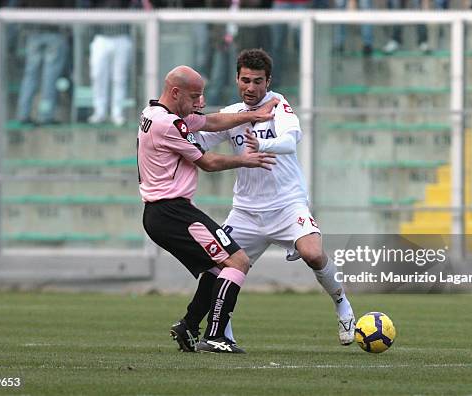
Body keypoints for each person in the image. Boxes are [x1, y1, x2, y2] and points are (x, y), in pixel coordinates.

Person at [196, 49, 356, 346]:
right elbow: (197, 140)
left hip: (286, 204)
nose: (251, 88)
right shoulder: (233, 114)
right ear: (237, 79)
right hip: (245, 211)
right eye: (245, 80)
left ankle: (342, 303)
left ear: (268, 81)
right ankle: (222, 331)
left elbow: (289, 141)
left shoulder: (278, 105)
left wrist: (265, 143)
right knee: (220, 267)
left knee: (313, 254)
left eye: (258, 81)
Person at [138, 65, 278, 353]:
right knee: (238, 261)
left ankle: (189, 325)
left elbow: (210, 122)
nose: (199, 102)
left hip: (162, 214)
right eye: (195, 96)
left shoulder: (153, 114)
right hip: (172, 212)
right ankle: (217, 336)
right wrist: (245, 160)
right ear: (175, 92)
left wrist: (253, 115)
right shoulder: (170, 125)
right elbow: (208, 162)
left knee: (218, 267)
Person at [14, 0, 74, 125]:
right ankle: (45, 116)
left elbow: (21, 6)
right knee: (49, 78)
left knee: (31, 76)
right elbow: (69, 7)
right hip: (55, 33)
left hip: (34, 32)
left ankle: (23, 114)